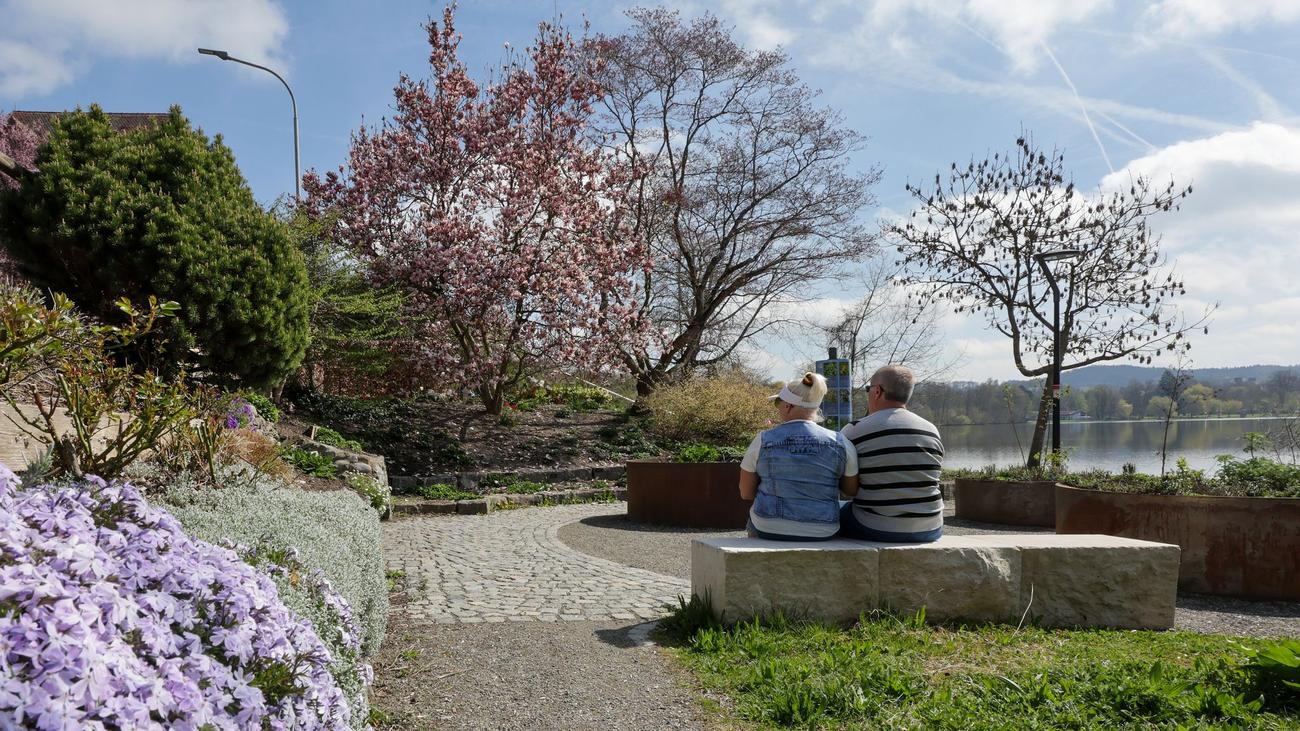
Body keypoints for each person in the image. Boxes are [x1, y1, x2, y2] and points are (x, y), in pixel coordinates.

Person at [738, 372, 859, 541]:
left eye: (778, 403)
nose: (777, 408)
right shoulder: (841, 442)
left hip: (768, 526)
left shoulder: (764, 440)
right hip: (823, 528)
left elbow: (746, 493)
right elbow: (850, 490)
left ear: (788, 406)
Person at [839, 364, 945, 543]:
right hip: (930, 527)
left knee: (831, 513)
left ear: (878, 391)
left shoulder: (854, 431)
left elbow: (847, 488)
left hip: (874, 527)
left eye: (868, 389)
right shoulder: (931, 430)